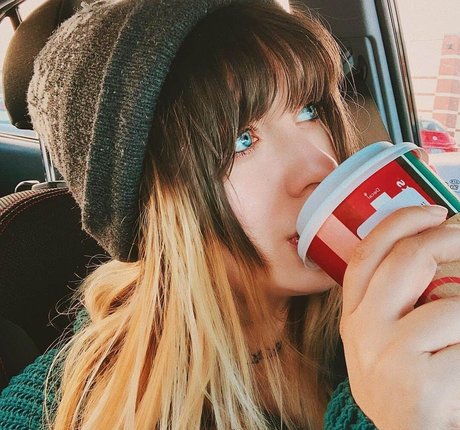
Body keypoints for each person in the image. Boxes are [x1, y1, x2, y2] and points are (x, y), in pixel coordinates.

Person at [1, 0, 460, 429]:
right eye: (241, 140)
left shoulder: (402, 301)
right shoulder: (68, 401)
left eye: (308, 109)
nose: (320, 168)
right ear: (154, 209)